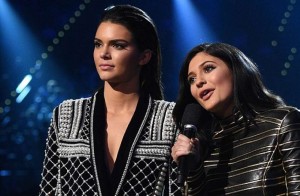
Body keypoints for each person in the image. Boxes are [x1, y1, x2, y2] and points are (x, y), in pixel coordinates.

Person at [39, 4, 184, 195]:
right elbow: (49, 189)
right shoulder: (67, 115)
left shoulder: (169, 119)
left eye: (118, 45)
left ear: (144, 57)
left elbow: (180, 190)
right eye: (98, 44)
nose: (103, 54)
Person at [171, 42, 300, 195]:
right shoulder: (202, 146)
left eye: (208, 68)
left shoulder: (283, 121)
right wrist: (193, 170)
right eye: (191, 79)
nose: (198, 82)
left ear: (236, 70)